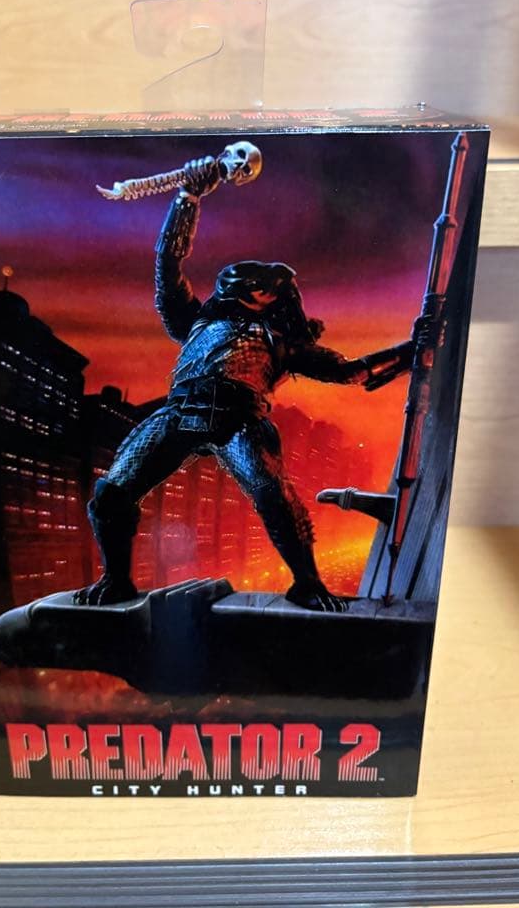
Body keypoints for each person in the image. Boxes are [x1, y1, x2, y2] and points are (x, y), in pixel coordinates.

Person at [76, 158, 432, 612]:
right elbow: (168, 264)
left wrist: (410, 349)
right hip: (179, 414)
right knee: (110, 494)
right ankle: (116, 580)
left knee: (274, 496)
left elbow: (351, 372)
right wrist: (188, 198)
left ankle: (307, 582)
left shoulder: (282, 343)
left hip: (238, 421)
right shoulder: (197, 320)